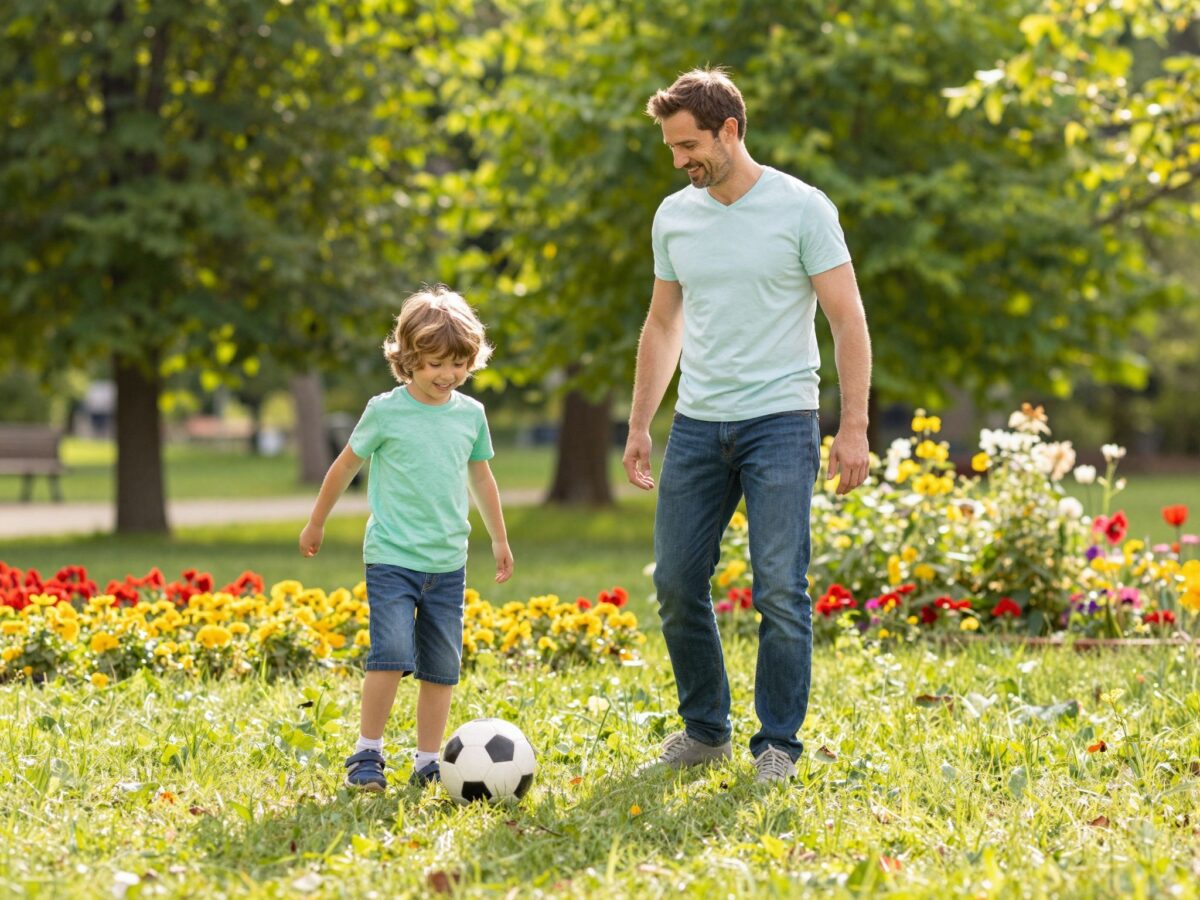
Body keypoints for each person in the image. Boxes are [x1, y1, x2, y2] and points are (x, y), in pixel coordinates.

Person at [623, 68, 872, 784]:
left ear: (730, 130)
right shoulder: (675, 216)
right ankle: (706, 731)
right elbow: (663, 321)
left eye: (689, 145)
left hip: (781, 422)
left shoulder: (802, 209)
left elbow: (846, 318)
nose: (679, 161)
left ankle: (778, 746)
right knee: (675, 581)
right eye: (671, 148)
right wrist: (642, 423)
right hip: (699, 423)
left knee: (780, 589)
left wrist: (851, 427)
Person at [300, 286, 514, 791]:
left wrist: (498, 539)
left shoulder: (470, 415)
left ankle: (426, 762)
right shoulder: (385, 411)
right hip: (392, 557)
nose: (449, 375)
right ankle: (367, 754)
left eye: (459, 363)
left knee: (442, 668)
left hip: (447, 562)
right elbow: (344, 466)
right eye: (437, 363)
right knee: (391, 653)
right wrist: (317, 521)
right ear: (409, 358)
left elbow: (482, 479)